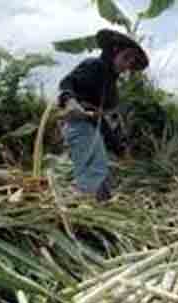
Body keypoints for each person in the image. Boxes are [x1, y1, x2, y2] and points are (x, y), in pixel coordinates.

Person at [57, 29, 149, 201]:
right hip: (80, 125)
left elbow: (101, 120)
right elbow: (67, 82)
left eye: (132, 61)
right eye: (126, 57)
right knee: (94, 172)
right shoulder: (95, 66)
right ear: (113, 52)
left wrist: (119, 149)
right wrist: (69, 100)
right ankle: (84, 213)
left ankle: (96, 209)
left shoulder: (111, 84)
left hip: (93, 128)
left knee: (100, 173)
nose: (128, 64)